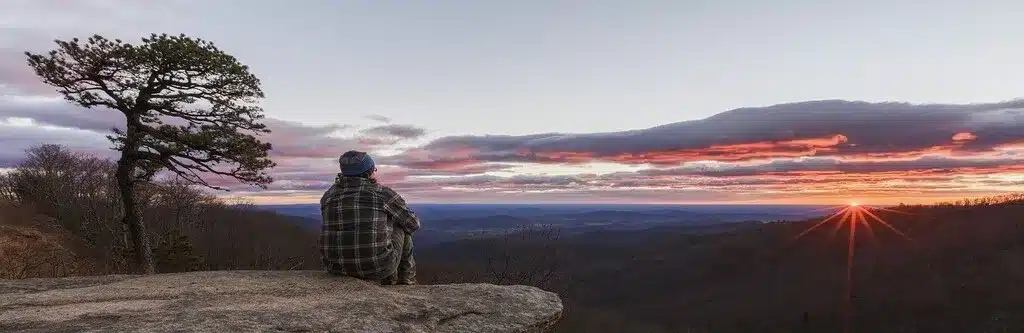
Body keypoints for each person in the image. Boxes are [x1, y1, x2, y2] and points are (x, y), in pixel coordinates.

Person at [319, 150, 420, 285]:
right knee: (401, 225)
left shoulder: (329, 195)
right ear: (369, 172)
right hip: (378, 269)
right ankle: (406, 282)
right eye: (374, 170)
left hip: (335, 268)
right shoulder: (382, 193)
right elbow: (413, 224)